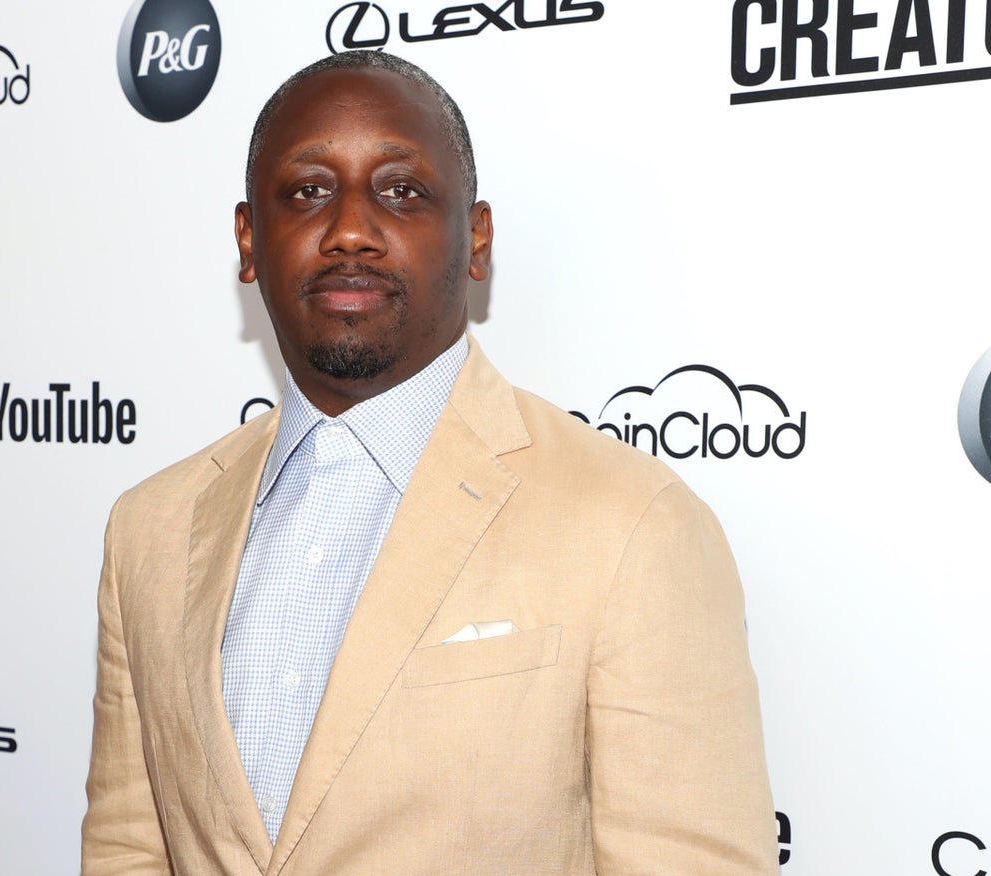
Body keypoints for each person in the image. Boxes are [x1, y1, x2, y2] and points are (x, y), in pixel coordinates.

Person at [82, 50, 777, 875]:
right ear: (248, 239)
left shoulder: (631, 524)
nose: (349, 229)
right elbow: (128, 845)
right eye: (307, 192)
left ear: (475, 239)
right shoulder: (150, 529)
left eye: (401, 191)